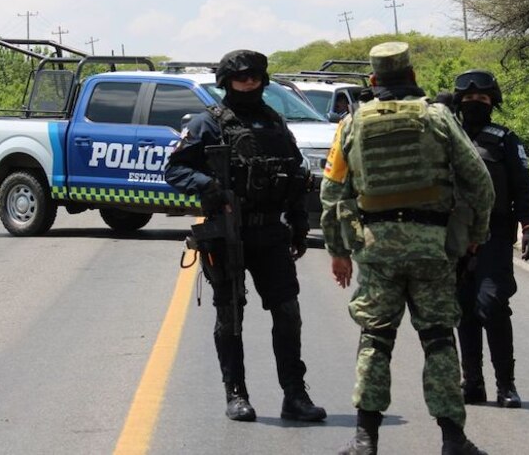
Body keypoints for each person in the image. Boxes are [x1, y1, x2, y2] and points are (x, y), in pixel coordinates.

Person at [321, 41, 495, 455]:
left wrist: (337, 250)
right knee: (438, 340)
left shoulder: (351, 123)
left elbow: (331, 192)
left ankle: (365, 439)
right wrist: (477, 235)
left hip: (377, 251)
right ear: (413, 77)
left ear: (374, 80)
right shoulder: (438, 118)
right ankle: (453, 439)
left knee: (375, 340)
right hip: (433, 250)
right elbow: (480, 182)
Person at [164, 49, 325, 423]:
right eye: (241, 79)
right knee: (230, 313)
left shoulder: (275, 123)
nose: (249, 85)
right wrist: (209, 186)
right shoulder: (208, 124)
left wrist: (299, 221)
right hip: (227, 233)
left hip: (271, 232)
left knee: (288, 312)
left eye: (254, 79)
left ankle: (294, 395)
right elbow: (174, 170)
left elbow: (295, 175)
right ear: (226, 82)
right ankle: (236, 393)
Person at [448, 70, 529, 409]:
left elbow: (523, 186)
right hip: (455, 238)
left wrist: (528, 227)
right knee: (464, 309)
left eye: (482, 100)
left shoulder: (505, 139)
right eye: (469, 100)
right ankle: (472, 382)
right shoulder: (447, 137)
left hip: (495, 235)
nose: (474, 104)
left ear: (492, 103)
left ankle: (506, 385)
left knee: (492, 305)